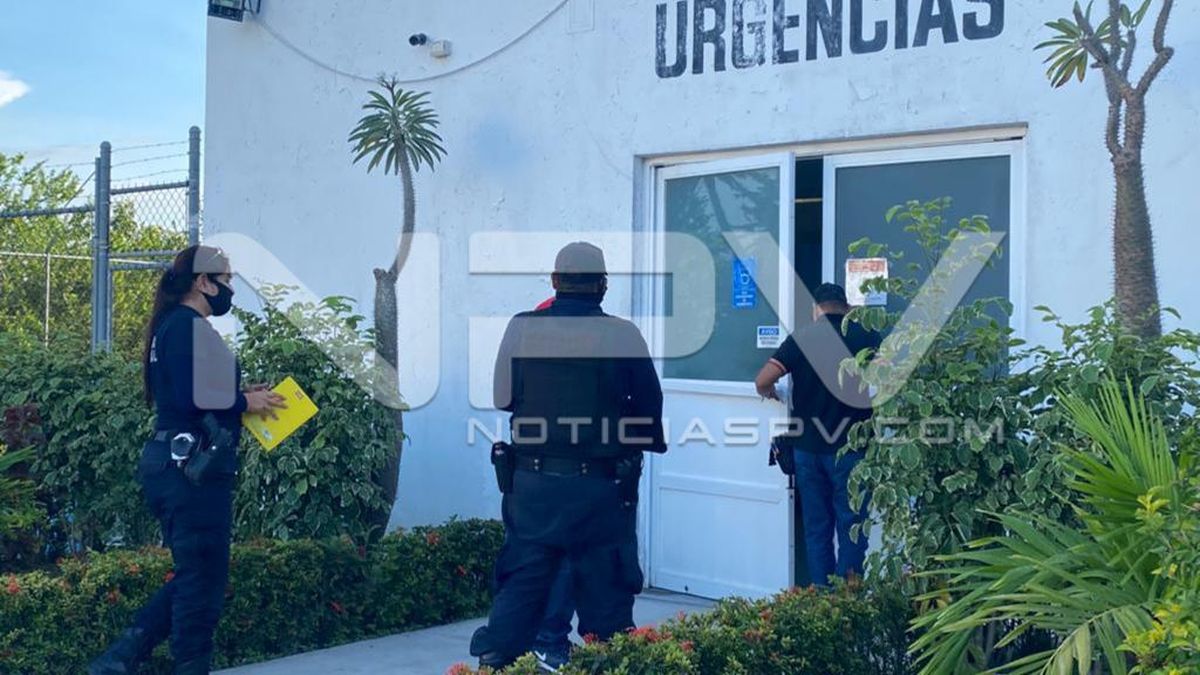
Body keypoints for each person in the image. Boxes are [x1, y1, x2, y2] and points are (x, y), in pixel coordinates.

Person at [89, 246, 286, 675]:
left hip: (182, 468)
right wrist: (243, 402)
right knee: (201, 586)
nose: (231, 289)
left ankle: (118, 660)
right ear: (203, 282)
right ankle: (148, 663)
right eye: (226, 280)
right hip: (189, 473)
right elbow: (190, 397)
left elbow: (192, 393)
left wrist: (241, 395)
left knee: (198, 575)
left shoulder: (177, 326)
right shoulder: (184, 326)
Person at [470, 242, 666, 671]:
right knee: (608, 604)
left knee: (522, 587)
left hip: (533, 489)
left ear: (555, 282)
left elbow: (503, 398)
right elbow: (649, 411)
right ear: (603, 285)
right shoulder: (623, 334)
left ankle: (497, 660)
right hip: (599, 491)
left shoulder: (522, 327)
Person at [754, 283, 881, 586]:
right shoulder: (866, 337)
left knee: (817, 528)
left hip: (808, 450)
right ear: (847, 308)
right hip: (852, 450)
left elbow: (762, 380)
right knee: (852, 528)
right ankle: (848, 601)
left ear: (816, 309)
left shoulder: (802, 338)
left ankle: (822, 599)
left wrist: (772, 393)